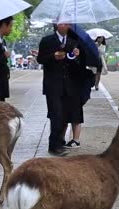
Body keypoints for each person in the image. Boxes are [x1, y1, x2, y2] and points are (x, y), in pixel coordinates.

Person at [37, 23, 82, 156]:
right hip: (53, 84)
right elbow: (40, 59)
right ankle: (54, 145)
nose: (66, 25)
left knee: (64, 115)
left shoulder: (73, 42)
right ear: (57, 25)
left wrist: (76, 55)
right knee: (55, 114)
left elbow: (77, 64)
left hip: (68, 85)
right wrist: (53, 57)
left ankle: (60, 142)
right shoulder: (47, 41)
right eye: (63, 23)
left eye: (68, 23)